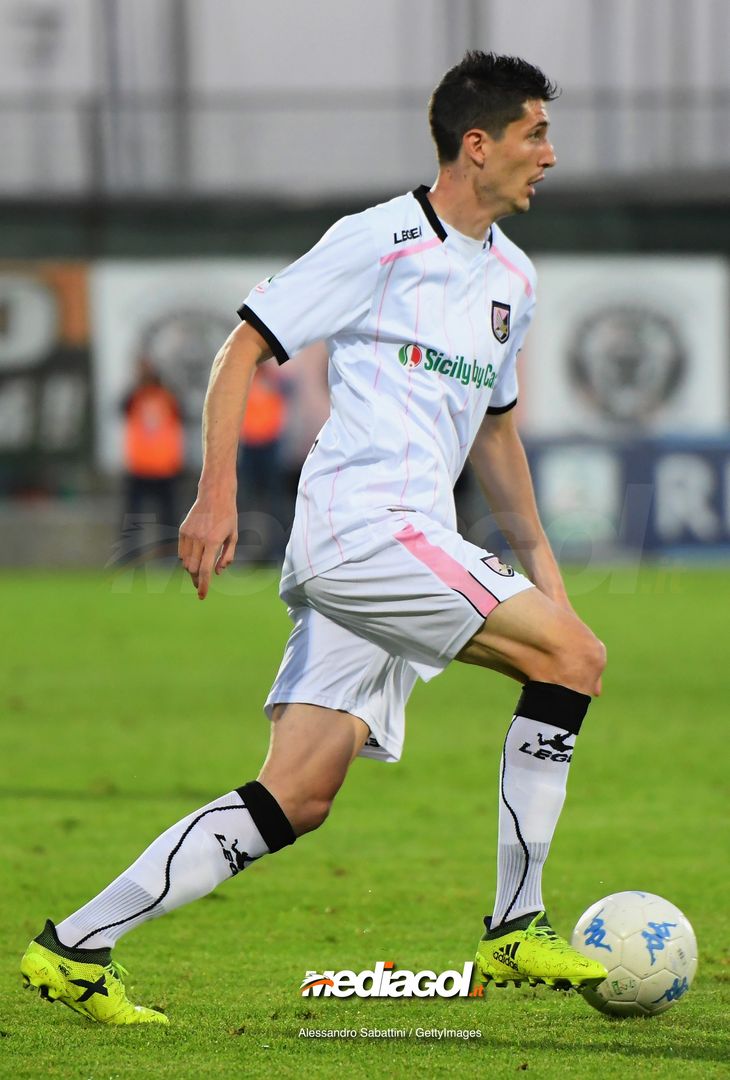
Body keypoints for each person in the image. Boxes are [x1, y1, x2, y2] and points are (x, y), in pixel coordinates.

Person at [21, 51, 608, 1025]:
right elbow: (243, 344)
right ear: (477, 144)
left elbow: (496, 431)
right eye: (533, 134)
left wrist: (545, 570)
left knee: (296, 794)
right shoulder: (378, 239)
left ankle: (76, 946)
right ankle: (515, 926)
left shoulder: (513, 278)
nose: (548, 154)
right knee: (575, 661)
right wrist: (214, 496)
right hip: (362, 530)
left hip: (398, 543)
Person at [119, 357, 184, 560]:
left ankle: (170, 556)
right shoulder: (135, 397)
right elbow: (121, 406)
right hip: (140, 466)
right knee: (133, 518)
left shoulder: (167, 397)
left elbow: (180, 412)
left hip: (165, 467)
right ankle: (130, 555)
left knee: (168, 519)